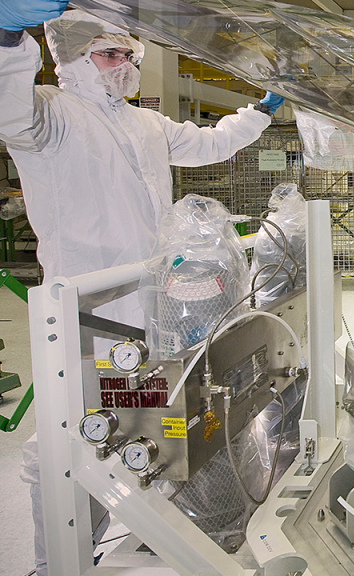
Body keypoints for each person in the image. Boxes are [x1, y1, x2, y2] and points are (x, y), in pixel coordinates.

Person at [0, 5, 284, 575]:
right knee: (65, 440)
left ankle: (136, 530)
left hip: (155, 306)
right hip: (84, 313)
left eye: (129, 55)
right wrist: (7, 37)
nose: (123, 66)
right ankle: (55, 561)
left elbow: (209, 143)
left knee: (148, 422)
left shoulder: (143, 123)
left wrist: (261, 112)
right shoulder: (49, 117)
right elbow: (6, 100)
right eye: (108, 53)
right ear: (72, 60)